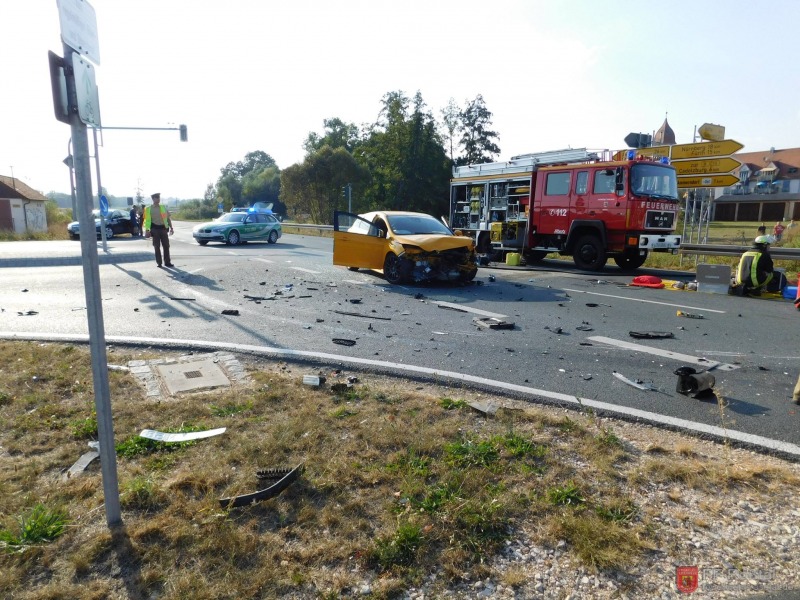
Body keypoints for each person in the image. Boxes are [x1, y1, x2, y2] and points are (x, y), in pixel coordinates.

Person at [143, 192, 174, 267]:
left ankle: (167, 262)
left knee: (166, 245)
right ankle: (159, 262)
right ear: (153, 199)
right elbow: (147, 221)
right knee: (156, 246)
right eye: (156, 197)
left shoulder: (163, 207)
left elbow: (168, 218)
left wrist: (171, 228)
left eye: (159, 197)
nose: (158, 199)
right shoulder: (148, 209)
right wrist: (147, 230)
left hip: (163, 229)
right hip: (154, 229)